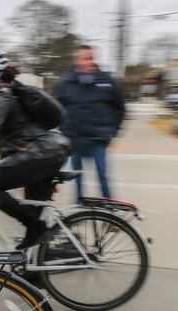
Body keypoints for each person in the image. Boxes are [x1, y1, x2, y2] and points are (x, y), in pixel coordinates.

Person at [0, 50, 70, 250]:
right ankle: (33, 270)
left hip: (40, 154)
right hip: (47, 153)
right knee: (33, 226)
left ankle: (38, 228)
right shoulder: (5, 93)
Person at [55, 44, 125, 202]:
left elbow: (120, 108)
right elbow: (56, 108)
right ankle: (79, 206)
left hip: (98, 140)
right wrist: (65, 130)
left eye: (91, 58)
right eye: (85, 59)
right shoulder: (66, 83)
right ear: (77, 61)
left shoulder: (107, 81)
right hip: (75, 141)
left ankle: (110, 207)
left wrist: (112, 131)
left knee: (103, 175)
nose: (89, 62)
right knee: (77, 177)